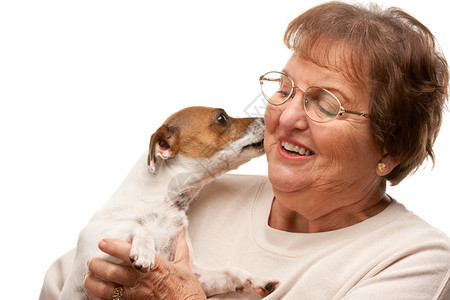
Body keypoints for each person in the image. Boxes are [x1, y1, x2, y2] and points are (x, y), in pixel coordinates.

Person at [40, 2, 450, 299]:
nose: (285, 116)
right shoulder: (201, 194)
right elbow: (65, 280)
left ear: (390, 149)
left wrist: (180, 297)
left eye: (326, 104)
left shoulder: (415, 260)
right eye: (284, 88)